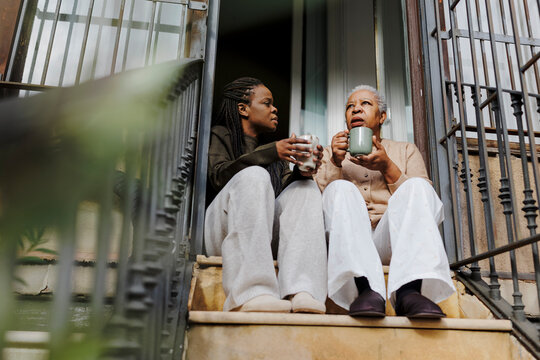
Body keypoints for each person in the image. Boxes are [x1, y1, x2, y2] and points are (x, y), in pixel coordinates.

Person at [314, 85, 455, 318]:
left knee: (418, 186)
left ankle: (410, 293)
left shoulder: (406, 150)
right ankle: (366, 291)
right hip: (348, 241)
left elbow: (424, 202)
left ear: (382, 117)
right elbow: (316, 203)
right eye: (350, 106)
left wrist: (387, 166)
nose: (356, 109)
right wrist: (335, 163)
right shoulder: (332, 153)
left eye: (365, 104)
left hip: (390, 240)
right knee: (339, 188)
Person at [205, 77, 327, 313]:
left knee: (306, 189)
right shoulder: (219, 134)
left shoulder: (274, 153)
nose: (275, 109)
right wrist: (271, 152)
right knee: (254, 176)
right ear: (243, 108)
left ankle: (302, 290)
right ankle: (250, 293)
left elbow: (284, 193)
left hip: (263, 240)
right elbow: (218, 177)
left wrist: (302, 172)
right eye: (267, 103)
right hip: (222, 231)